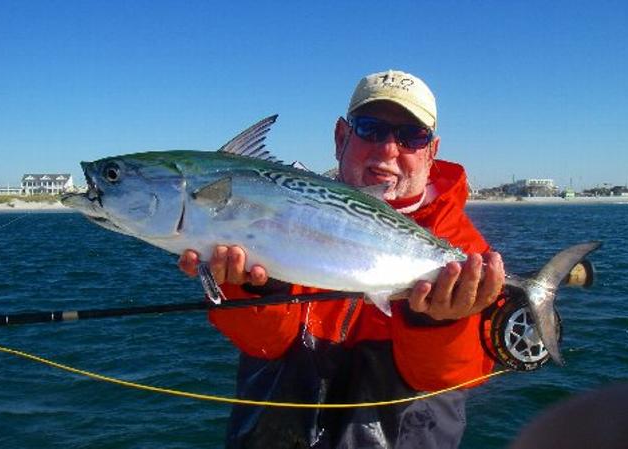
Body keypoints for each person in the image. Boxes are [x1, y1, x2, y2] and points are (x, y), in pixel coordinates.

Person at [179, 69, 506, 449]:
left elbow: (444, 379)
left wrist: (436, 321)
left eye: (412, 136)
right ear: (340, 137)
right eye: (371, 128)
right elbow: (265, 347)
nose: (388, 150)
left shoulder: (466, 251)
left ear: (431, 151)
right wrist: (256, 288)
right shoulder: (279, 217)